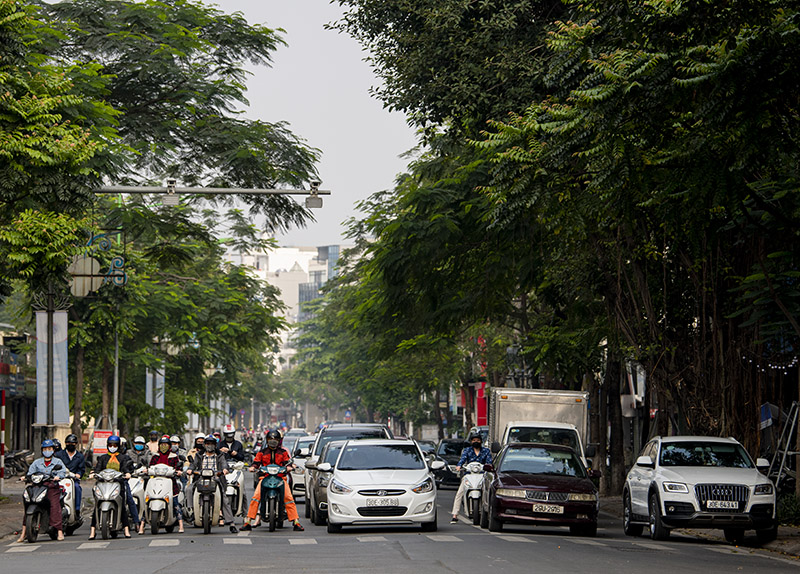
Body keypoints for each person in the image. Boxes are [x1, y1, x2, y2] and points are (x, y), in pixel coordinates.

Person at [241, 429, 303, 531]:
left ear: (279, 441)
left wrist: (291, 466)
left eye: (275, 439)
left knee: (288, 498)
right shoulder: (262, 452)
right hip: (265, 478)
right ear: (267, 440)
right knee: (256, 497)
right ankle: (248, 521)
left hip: (280, 479)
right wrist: (253, 468)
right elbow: (256, 463)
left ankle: (296, 522)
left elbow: (288, 462)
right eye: (270, 439)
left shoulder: (283, 453)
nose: (273, 441)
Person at [16, 440, 67, 542]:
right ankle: (24, 532)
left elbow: (62, 472)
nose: (47, 451)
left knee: (54, 505)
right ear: (42, 450)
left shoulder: (58, 462)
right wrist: (25, 477)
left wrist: (58, 477)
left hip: (51, 487)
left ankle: (59, 531)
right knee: (28, 503)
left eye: (49, 449)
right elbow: (30, 473)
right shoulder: (37, 462)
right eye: (45, 449)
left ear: (53, 450)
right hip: (37, 487)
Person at [185, 435, 238, 533]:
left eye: (212, 444)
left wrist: (225, 469)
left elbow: (224, 463)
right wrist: (190, 470)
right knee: (189, 489)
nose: (210, 446)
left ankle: (231, 523)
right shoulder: (199, 455)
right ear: (204, 445)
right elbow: (193, 464)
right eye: (208, 444)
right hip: (200, 478)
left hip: (216, 479)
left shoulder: (220, 455)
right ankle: (192, 512)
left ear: (215, 445)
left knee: (224, 499)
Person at [89, 435, 135, 539]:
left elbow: (125, 469)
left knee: (121, 504)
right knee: (97, 505)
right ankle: (92, 530)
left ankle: (126, 529)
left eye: (115, 445)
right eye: (110, 445)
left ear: (118, 446)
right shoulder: (103, 458)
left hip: (117, 484)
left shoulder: (123, 458)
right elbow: (98, 468)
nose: (112, 447)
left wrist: (127, 474)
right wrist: (93, 473)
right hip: (103, 484)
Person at [451, 431, 492, 523]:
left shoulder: (486, 451)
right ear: (471, 441)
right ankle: (455, 514)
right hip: (469, 475)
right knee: (459, 493)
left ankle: (488, 513)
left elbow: (489, 462)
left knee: (488, 492)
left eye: (478, 440)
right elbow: (462, 460)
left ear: (481, 441)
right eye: (474, 440)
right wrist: (459, 466)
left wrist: (488, 467)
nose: (476, 441)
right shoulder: (467, 450)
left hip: (482, 475)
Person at [148, 435, 185, 533]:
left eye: (166, 445)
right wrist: (146, 470)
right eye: (162, 445)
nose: (163, 447)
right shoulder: (155, 456)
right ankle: (142, 524)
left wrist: (178, 471)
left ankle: (181, 523)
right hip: (156, 482)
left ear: (169, 446)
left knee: (175, 503)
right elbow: (150, 466)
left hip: (170, 482)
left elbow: (178, 468)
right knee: (147, 500)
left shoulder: (173, 456)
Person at [55, 433, 86, 516]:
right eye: (68, 443)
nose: (70, 445)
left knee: (77, 488)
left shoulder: (80, 456)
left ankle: (77, 509)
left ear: (76, 444)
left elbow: (81, 469)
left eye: (73, 443)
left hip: (73, 480)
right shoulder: (59, 455)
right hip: (60, 479)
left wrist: (78, 474)